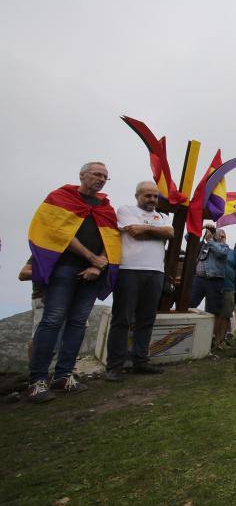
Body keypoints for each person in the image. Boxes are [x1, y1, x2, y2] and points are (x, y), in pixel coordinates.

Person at [26, 162, 121, 403]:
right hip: (64, 268)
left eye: (105, 177)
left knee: (78, 322)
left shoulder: (106, 208)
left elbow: (111, 240)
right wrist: (90, 257)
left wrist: (97, 266)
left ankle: (64, 375)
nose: (100, 179)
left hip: (92, 272)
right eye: (96, 174)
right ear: (82, 175)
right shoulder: (60, 198)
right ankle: (37, 380)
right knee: (53, 319)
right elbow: (58, 233)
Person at [105, 181, 174, 381]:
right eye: (148, 196)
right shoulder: (126, 210)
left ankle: (140, 361)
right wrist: (154, 231)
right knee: (123, 319)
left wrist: (145, 229)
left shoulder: (163, 216)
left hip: (155, 271)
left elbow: (169, 233)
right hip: (129, 270)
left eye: (155, 196)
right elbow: (132, 230)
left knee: (146, 319)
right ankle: (115, 365)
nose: (152, 199)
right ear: (137, 196)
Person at [189, 224, 230, 348]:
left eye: (217, 233)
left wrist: (211, 240)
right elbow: (188, 237)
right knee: (189, 304)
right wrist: (201, 228)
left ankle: (211, 338)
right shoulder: (203, 244)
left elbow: (222, 253)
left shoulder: (223, 246)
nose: (219, 235)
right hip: (199, 279)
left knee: (213, 310)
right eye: (216, 233)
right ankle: (190, 334)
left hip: (214, 281)